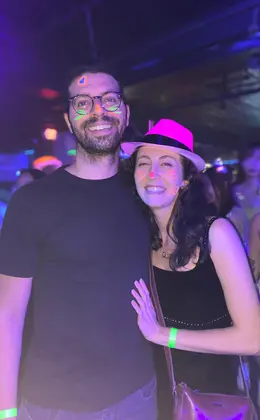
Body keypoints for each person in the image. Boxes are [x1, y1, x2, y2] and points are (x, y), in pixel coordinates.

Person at [0, 67, 156, 420]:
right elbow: (7, 316)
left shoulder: (147, 194)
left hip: (137, 397)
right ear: (70, 121)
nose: (98, 111)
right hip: (53, 402)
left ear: (126, 113)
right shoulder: (32, 202)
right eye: (83, 103)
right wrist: (6, 410)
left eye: (110, 100)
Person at [121, 119, 260, 419]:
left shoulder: (216, 233)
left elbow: (253, 338)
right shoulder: (138, 238)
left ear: (185, 178)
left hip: (213, 403)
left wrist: (163, 335)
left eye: (166, 163)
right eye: (143, 162)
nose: (152, 173)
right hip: (155, 398)